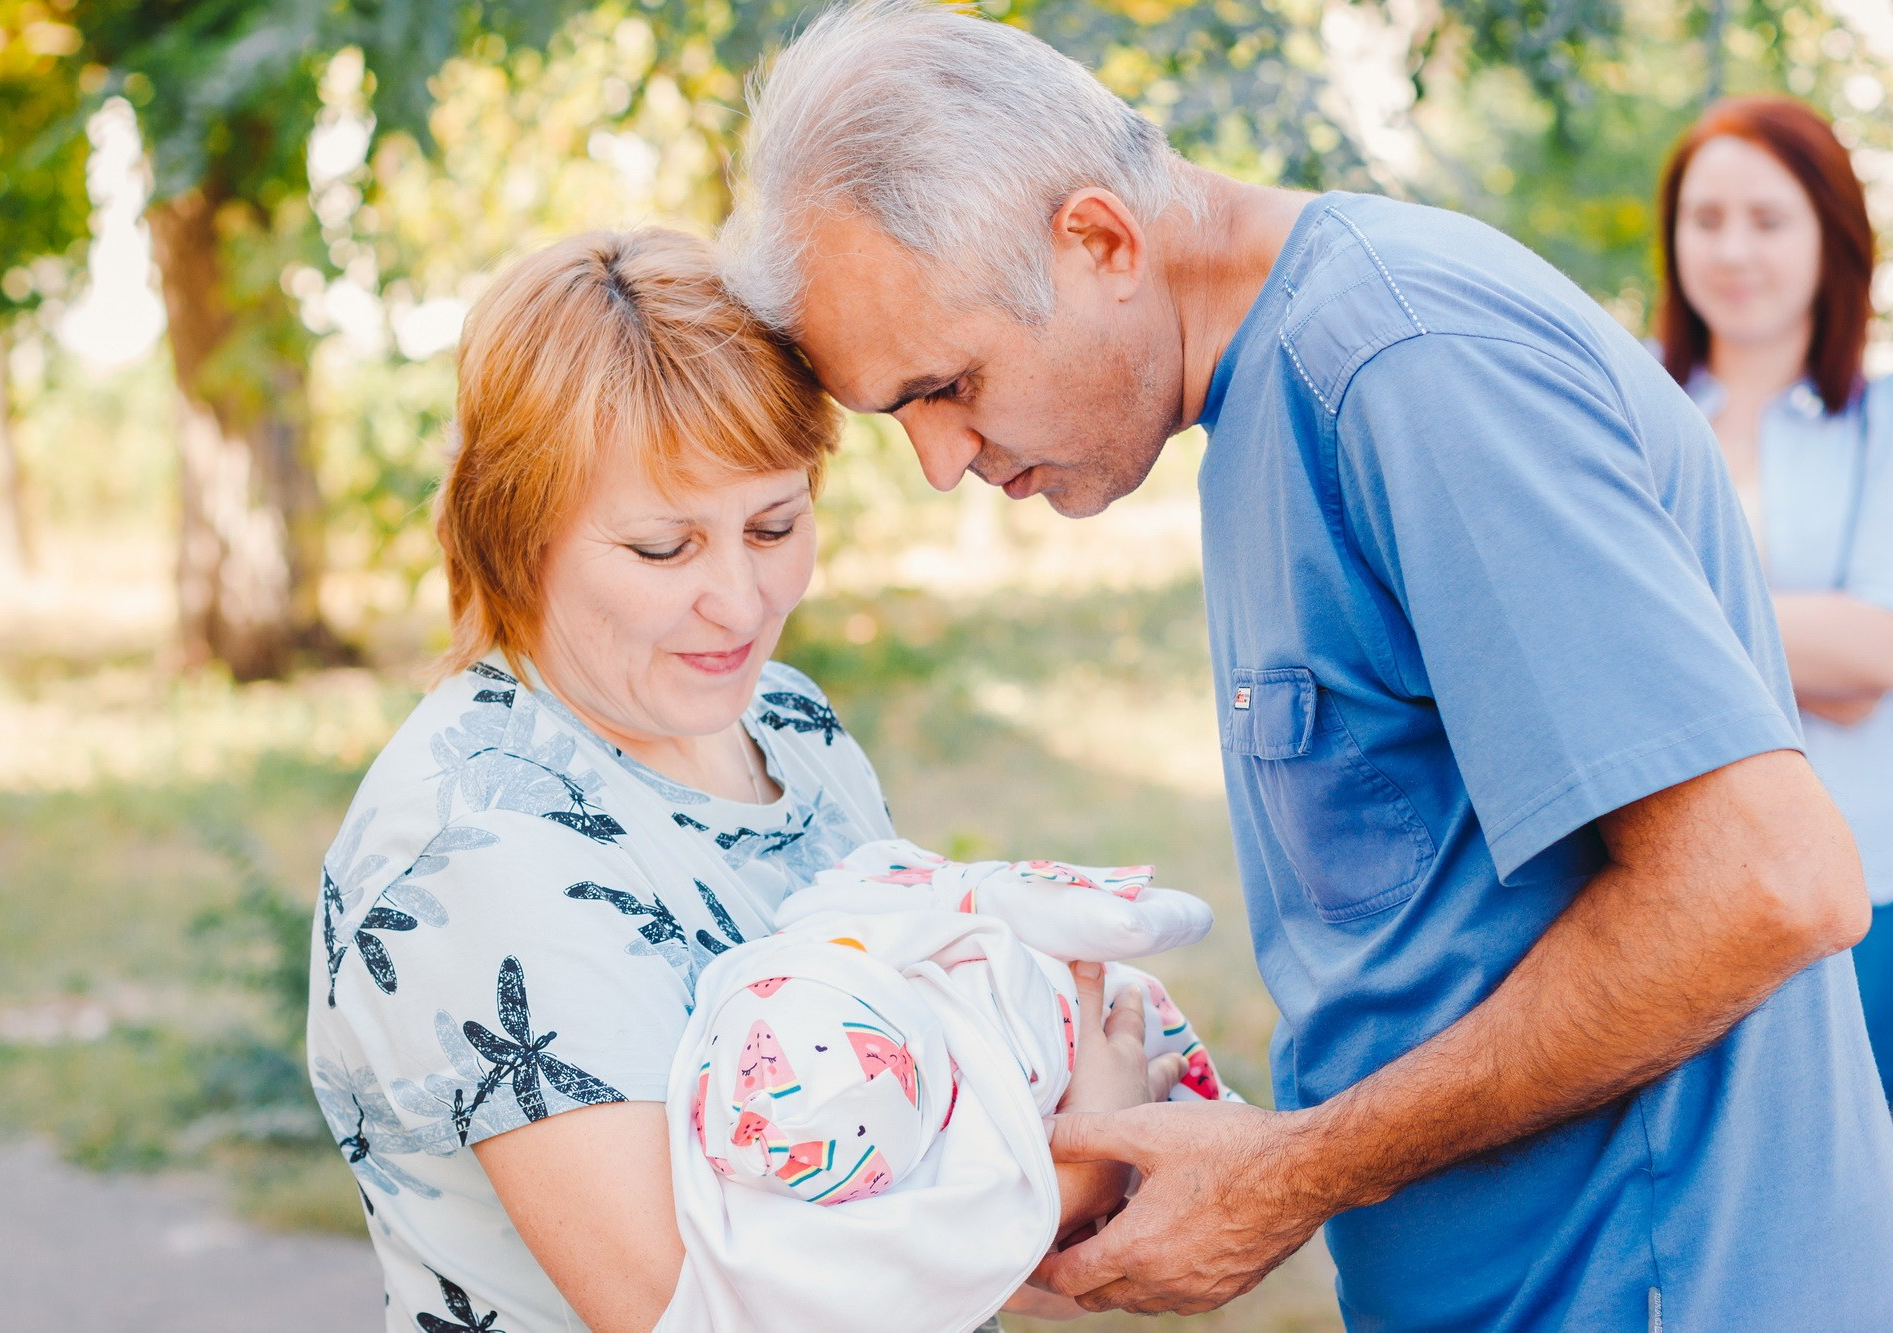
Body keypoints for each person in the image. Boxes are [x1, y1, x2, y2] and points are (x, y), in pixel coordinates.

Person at [717, 1, 1893, 1326]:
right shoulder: (1261, 392)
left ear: (1099, 238)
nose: (942, 461)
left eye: (952, 385)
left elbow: (1767, 884)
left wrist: (1289, 1172)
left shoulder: (1405, 366)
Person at [305, 229, 1165, 1333]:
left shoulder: (787, 721)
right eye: (664, 549)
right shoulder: (478, 841)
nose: (741, 601)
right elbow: (690, 1310)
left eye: (774, 524)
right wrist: (1065, 1179)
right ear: (516, 534)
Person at [661, 839, 1226, 1332]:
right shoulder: (981, 1069)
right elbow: (1022, 1202)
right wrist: (1101, 1156)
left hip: (1093, 1067)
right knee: (1144, 1031)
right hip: (1089, 1045)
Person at [1657, 94, 1893, 1106]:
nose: (1732, 250)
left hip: (1860, 896)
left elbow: (1869, 659)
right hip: (1661, 896)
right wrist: (1796, 634)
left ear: (1827, 233)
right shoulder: (1629, 410)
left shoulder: (1878, 422)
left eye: (1766, 218)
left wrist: (1659, 621)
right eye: (1705, 219)